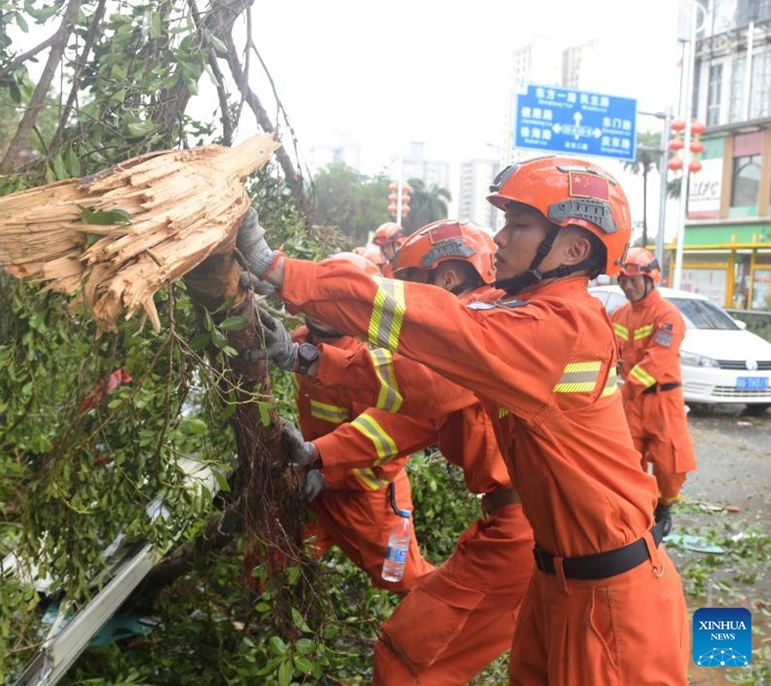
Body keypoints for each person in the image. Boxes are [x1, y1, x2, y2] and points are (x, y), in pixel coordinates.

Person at [238, 157, 689, 684]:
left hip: (610, 595)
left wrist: (285, 273)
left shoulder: (559, 327)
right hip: (559, 576)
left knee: (405, 662)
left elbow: (444, 333)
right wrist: (314, 368)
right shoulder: (521, 317)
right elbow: (424, 385)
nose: (500, 239)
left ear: (574, 248)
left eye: (519, 225)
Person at [257, 221, 535, 685]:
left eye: (412, 287)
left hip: (373, 496)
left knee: (408, 635)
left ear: (446, 279)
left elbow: (398, 415)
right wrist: (316, 454)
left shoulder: (475, 338)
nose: (408, 309)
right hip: (517, 525)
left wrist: (319, 453)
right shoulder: (475, 338)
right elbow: (401, 421)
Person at [277, 252, 438, 593]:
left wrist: (326, 473)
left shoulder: (376, 362)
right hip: (314, 482)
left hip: (370, 497)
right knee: (271, 566)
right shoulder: (302, 340)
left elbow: (387, 449)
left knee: (407, 582)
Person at [611, 247, 697, 540]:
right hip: (631, 401)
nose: (627, 286)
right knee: (626, 458)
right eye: (623, 281)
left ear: (651, 280)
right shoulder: (620, 315)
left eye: (633, 280)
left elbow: (656, 361)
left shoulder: (668, 316)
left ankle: (664, 506)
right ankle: (636, 511)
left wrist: (621, 394)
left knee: (669, 461)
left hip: (662, 400)